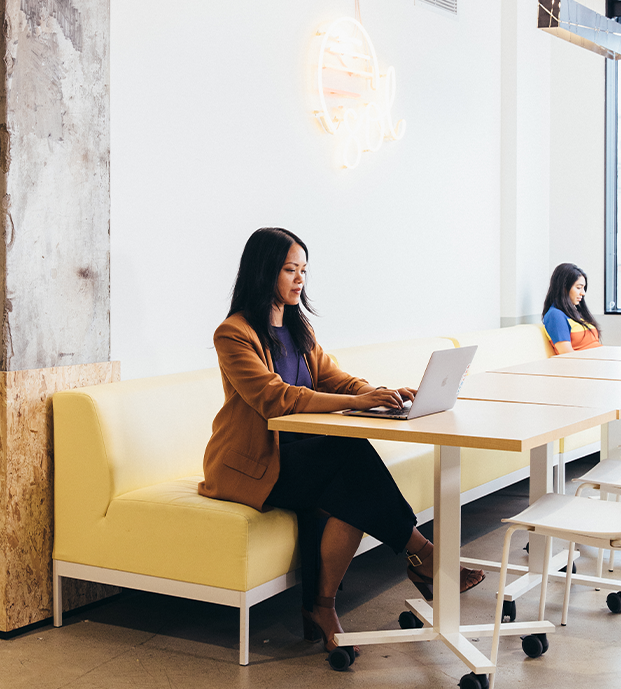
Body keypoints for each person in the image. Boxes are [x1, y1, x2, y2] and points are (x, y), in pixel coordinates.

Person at [199, 227, 484, 661]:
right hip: (256, 465)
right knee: (349, 461)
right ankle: (422, 555)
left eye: (304, 271)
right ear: (263, 273)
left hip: (304, 455)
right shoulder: (233, 334)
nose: (300, 280)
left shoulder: (298, 328)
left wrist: (381, 394)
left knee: (349, 485)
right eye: (290, 270)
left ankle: (324, 606)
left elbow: (334, 377)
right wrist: (357, 401)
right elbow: (274, 397)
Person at [542, 263, 601, 355]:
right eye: (579, 288)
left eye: (583, 288)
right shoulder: (555, 315)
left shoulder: (575, 314)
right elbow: (567, 355)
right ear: (564, 287)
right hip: (587, 365)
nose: (583, 293)